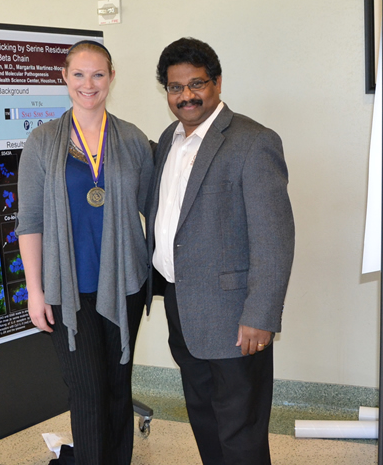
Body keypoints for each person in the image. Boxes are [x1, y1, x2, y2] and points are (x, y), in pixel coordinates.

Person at [146, 37, 295, 465]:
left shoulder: (253, 141)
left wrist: (260, 315)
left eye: (197, 84)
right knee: (204, 419)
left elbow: (275, 238)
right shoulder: (169, 141)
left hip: (235, 317)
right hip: (182, 306)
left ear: (217, 83)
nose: (187, 96)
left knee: (240, 430)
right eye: (176, 87)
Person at [16, 40, 153, 465]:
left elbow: (156, 210)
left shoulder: (132, 139)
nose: (88, 84)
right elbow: (31, 222)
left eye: (98, 74)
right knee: (87, 391)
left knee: (118, 385)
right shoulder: (41, 141)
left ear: (112, 77)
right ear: (64, 77)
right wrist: (34, 292)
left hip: (125, 283)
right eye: (79, 74)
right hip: (67, 288)